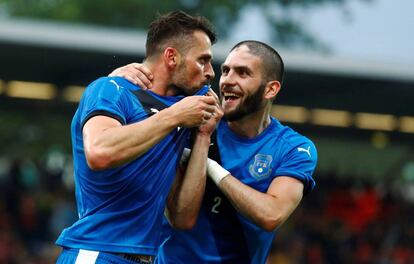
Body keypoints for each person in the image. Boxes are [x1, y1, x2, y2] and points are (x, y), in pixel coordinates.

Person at [112, 40, 317, 264]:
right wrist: (118, 78)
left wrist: (211, 168)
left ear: (270, 89)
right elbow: (144, 97)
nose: (228, 80)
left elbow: (271, 215)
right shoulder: (195, 113)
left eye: (243, 73)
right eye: (226, 71)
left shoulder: (293, 147)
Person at [55, 10, 223, 264]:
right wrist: (174, 116)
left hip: (147, 258)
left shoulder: (184, 113)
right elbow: (100, 152)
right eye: (203, 60)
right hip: (96, 252)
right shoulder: (110, 89)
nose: (211, 72)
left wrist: (202, 136)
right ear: (171, 56)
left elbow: (181, 217)